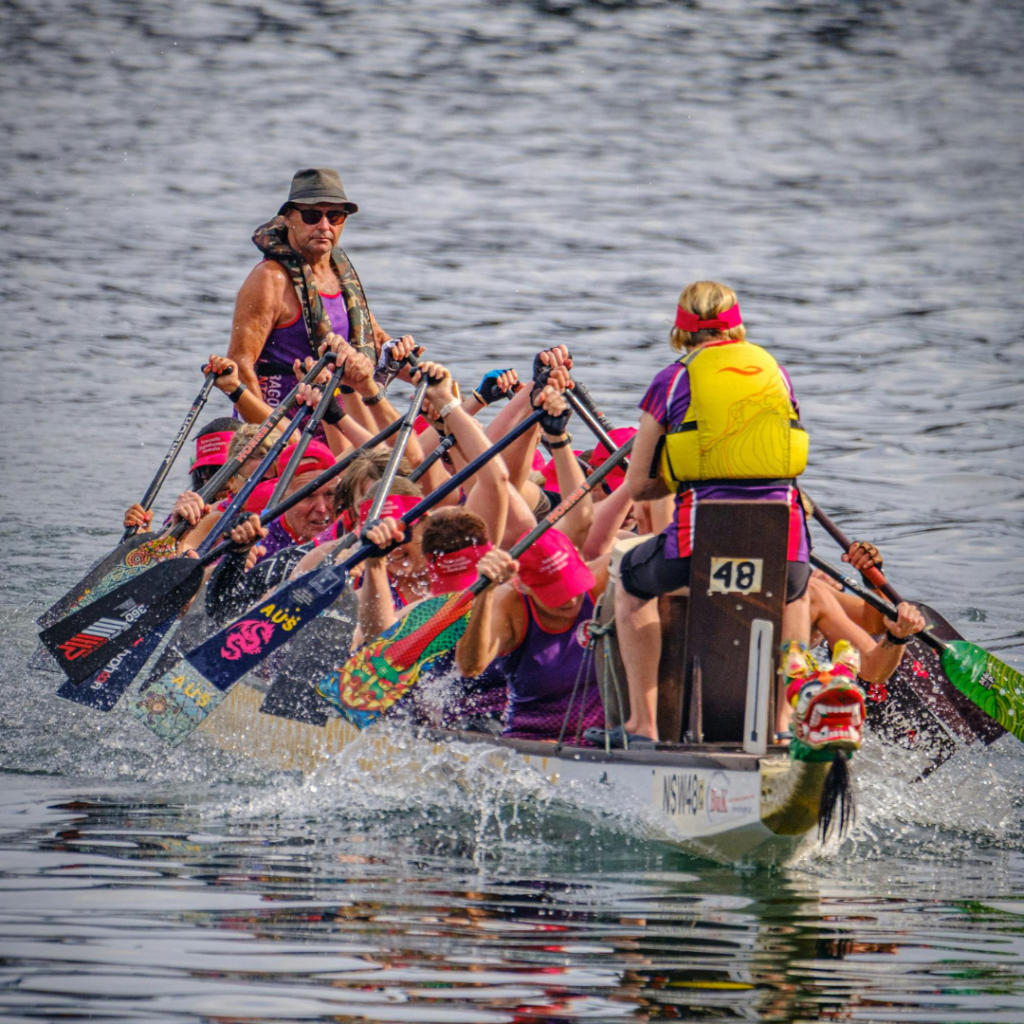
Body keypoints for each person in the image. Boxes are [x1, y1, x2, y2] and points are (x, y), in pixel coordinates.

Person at [613, 280, 812, 744]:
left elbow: (638, 485)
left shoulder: (672, 379)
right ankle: (784, 723)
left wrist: (677, 475)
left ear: (682, 329)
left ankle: (643, 725)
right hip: (784, 546)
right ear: (736, 325)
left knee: (629, 583)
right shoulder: (777, 374)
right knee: (797, 594)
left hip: (698, 546)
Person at [226, 167, 413, 434]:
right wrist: (266, 436)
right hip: (286, 430)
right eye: (312, 216)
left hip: (339, 424)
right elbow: (241, 365)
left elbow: (376, 341)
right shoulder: (269, 279)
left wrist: (423, 376)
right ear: (289, 217)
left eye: (334, 216)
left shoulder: (341, 275)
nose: (324, 226)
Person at [455, 529, 608, 742]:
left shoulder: (605, 576)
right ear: (523, 586)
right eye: (556, 593)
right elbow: (469, 667)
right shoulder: (508, 604)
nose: (572, 601)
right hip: (534, 739)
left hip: (602, 739)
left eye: (574, 584)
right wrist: (485, 594)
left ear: (580, 559)